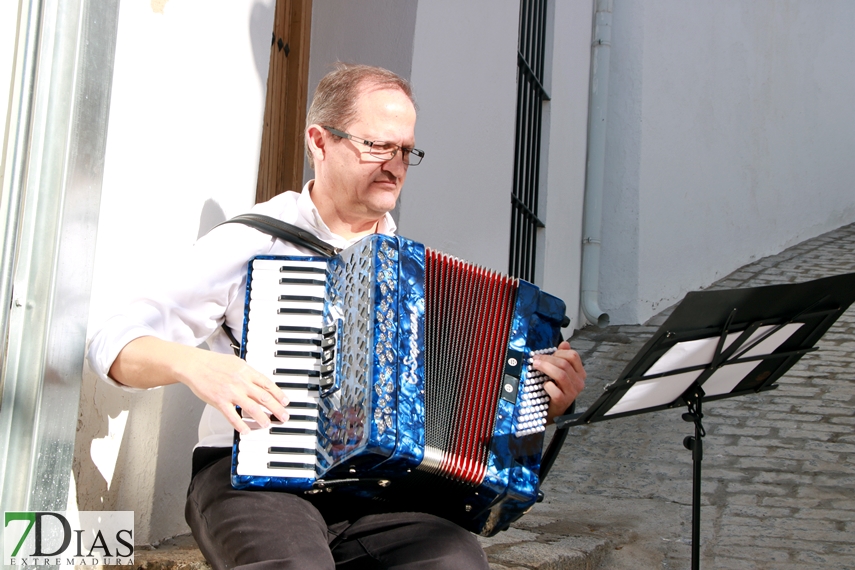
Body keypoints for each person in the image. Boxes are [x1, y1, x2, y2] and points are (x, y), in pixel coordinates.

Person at [87, 63, 586, 570]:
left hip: (377, 492)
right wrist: (197, 367)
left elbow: (468, 414)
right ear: (319, 142)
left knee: (456, 561)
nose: (394, 165)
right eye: (376, 146)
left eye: (405, 151)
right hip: (252, 481)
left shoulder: (415, 279)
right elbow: (113, 342)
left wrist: (540, 401)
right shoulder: (253, 241)